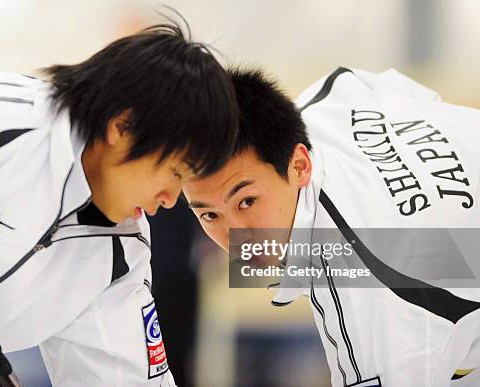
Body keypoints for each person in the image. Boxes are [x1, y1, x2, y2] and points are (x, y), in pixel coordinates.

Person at [0, 22, 238, 386]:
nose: (171, 200)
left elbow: (124, 377)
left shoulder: (120, 256)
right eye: (174, 172)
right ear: (123, 127)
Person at [183, 67, 480, 386]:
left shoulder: (371, 298)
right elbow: (423, 101)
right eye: (210, 215)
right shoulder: (333, 95)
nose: (238, 236)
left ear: (299, 166)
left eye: (246, 201)